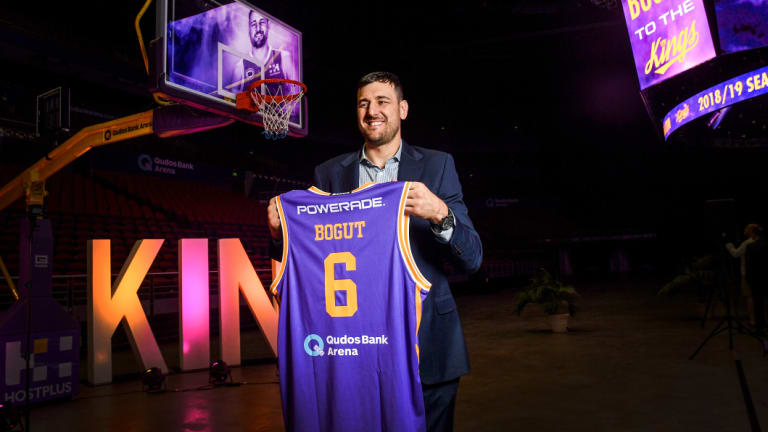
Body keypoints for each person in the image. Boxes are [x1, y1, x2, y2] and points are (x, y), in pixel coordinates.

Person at [267, 71, 483, 431]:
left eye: (382, 101)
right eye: (363, 103)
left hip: (426, 344)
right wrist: (279, 235)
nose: (372, 111)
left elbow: (473, 258)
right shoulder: (330, 174)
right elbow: (310, 261)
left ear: (403, 108)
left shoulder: (436, 165)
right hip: (357, 348)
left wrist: (440, 214)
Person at [229, 10, 295, 93]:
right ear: (249, 30)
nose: (258, 28)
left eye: (262, 22)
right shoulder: (240, 67)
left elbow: (297, 96)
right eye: (253, 24)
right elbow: (232, 103)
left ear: (268, 25)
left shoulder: (284, 58)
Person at [726, 224, 762, 325]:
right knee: (759, 297)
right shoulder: (759, 242)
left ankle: (752, 320)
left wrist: (728, 245)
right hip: (759, 273)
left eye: (746, 228)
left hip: (747, 273)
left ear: (751, 231)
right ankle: (759, 319)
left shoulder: (748, 243)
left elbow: (736, 254)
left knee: (750, 296)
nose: (744, 229)